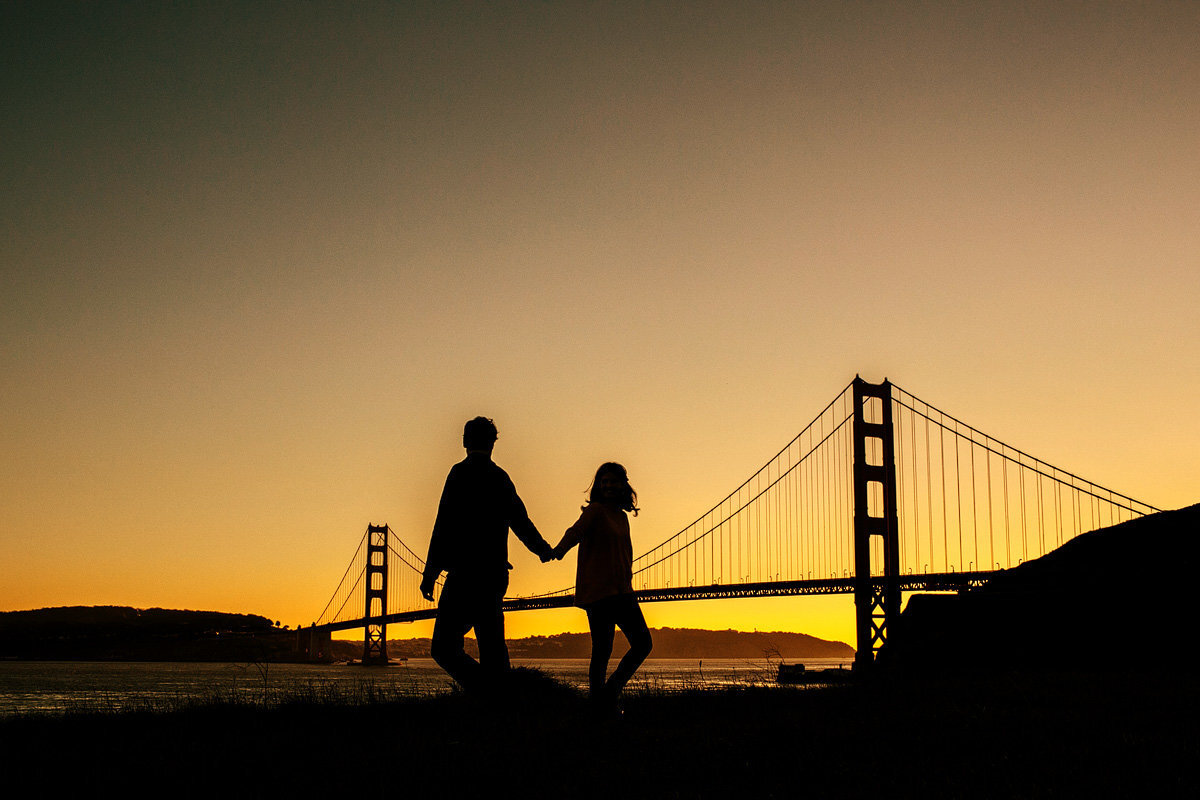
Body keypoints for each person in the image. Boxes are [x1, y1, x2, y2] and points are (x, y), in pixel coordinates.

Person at [420, 416, 554, 693]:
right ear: (493, 443)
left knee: (444, 648)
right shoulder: (500, 478)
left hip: (464, 574)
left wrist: (430, 574)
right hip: (494, 575)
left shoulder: (458, 474)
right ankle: (498, 696)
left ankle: (486, 692)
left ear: (465, 442)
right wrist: (542, 549)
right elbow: (521, 520)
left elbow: (442, 525)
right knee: (492, 646)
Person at [551, 462, 653, 709]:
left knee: (642, 644)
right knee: (602, 651)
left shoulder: (621, 516)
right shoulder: (595, 511)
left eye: (613, 482)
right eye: (604, 482)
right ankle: (600, 704)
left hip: (623, 592)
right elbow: (574, 532)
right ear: (598, 486)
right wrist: (557, 551)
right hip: (599, 594)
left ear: (622, 486)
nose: (608, 486)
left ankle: (606, 696)